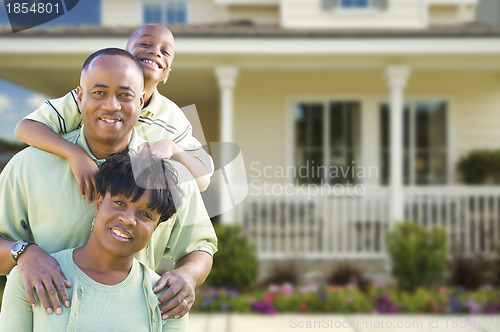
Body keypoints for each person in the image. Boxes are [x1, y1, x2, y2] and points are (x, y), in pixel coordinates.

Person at [0, 48, 217, 321]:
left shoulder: (169, 177)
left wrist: (187, 275)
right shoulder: (28, 166)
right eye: (99, 92)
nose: (112, 105)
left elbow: (200, 247)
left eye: (125, 95)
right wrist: (23, 253)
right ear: (80, 97)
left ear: (141, 100)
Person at [14, 24, 213, 198]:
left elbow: (203, 181)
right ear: (125, 54)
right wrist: (74, 154)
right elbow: (25, 128)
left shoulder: (172, 117)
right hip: (75, 194)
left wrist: (172, 148)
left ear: (167, 74)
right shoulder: (92, 98)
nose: (155, 52)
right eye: (145, 44)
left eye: (165, 51)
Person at [0, 152, 188, 331]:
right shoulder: (31, 276)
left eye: (146, 214)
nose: (128, 219)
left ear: (154, 228)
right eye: (120, 203)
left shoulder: (168, 298)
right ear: (98, 204)